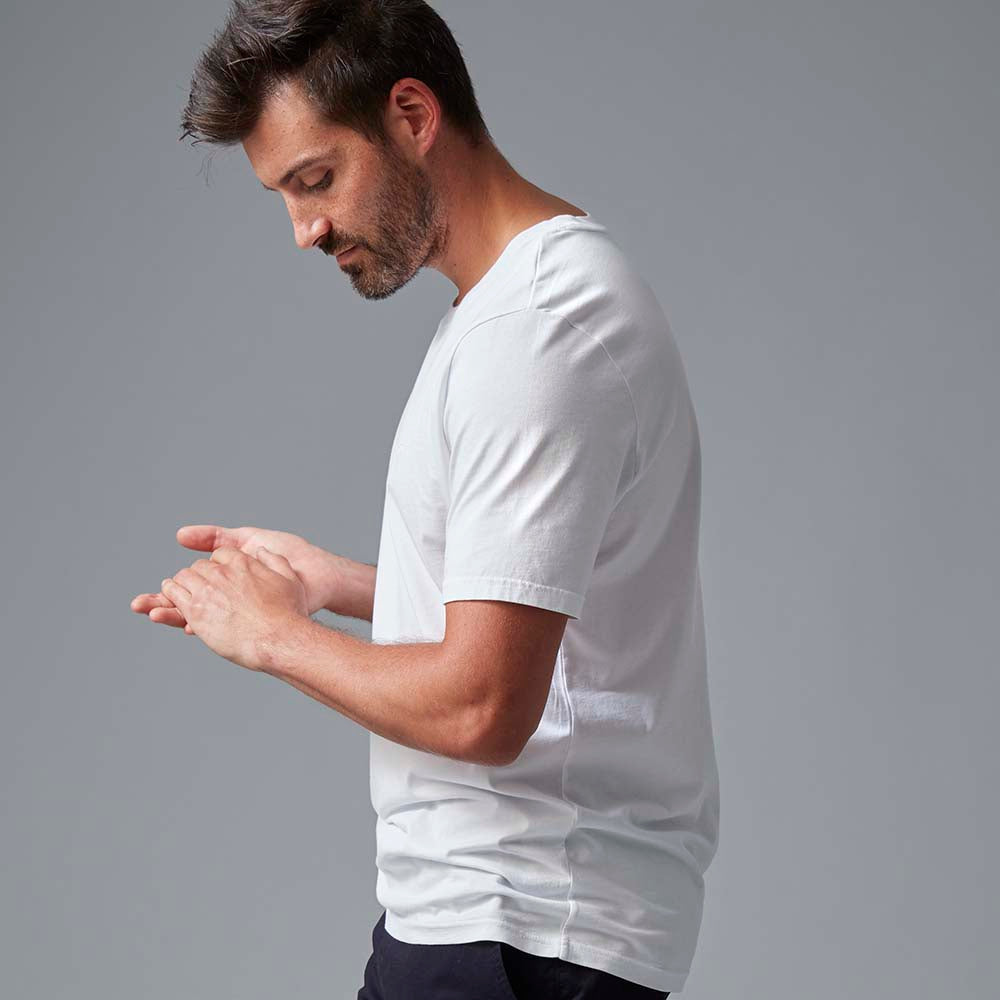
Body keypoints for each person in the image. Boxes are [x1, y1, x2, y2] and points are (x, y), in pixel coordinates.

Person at [131, 1, 719, 996]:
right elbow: (544, 622)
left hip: (517, 930)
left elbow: (484, 705)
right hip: (509, 926)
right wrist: (343, 582)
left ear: (411, 115)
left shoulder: (536, 330)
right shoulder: (518, 308)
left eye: (315, 180)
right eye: (281, 195)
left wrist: (269, 632)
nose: (304, 230)